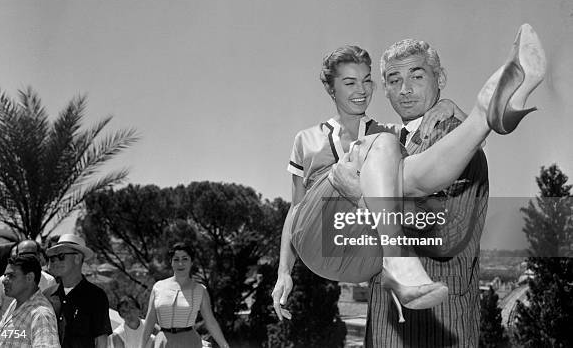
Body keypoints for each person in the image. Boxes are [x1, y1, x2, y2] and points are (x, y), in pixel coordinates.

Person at [272, 24, 546, 323]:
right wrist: (284, 271)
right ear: (330, 88)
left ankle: (484, 116)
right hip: (317, 236)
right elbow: (296, 207)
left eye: (366, 81)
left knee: (397, 166)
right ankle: (484, 116)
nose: (360, 90)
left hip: (362, 256)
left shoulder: (388, 133)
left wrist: (453, 111)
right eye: (349, 82)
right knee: (381, 153)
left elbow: (435, 166)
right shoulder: (308, 139)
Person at [350, 38, 489, 347]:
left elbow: (445, 233)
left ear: (439, 79)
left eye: (417, 76)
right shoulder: (393, 144)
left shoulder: (451, 136)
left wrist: (363, 200)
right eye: (394, 80)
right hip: (387, 322)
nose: (405, 89)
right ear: (384, 89)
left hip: (439, 324)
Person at [140, 242, 229, 348]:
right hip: (162, 342)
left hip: (189, 342)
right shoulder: (158, 287)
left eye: (185, 259)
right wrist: (141, 346)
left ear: (191, 262)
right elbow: (150, 321)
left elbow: (210, 321)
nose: (180, 263)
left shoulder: (200, 290)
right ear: (171, 262)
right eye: (176, 259)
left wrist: (224, 345)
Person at [42, 234, 112, 348]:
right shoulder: (46, 295)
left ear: (77, 258)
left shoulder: (96, 296)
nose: (55, 262)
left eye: (61, 256)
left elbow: (101, 341)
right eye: (52, 258)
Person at [0, 255, 60, 348]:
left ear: (29, 277)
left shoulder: (41, 314)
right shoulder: (16, 303)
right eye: (5, 275)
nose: (4, 280)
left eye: (11, 276)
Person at [0, 240, 57, 326]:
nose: (25, 257)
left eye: (30, 253)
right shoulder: (3, 280)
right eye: (21, 255)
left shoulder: (49, 281)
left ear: (39, 256)